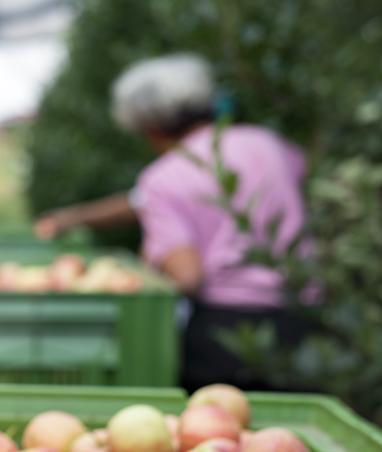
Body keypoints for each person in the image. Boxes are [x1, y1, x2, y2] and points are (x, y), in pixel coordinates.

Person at [35, 53, 311, 391]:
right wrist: (73, 218)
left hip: (225, 336)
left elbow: (187, 275)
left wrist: (149, 262)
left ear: (150, 128)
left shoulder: (164, 178)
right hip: (304, 321)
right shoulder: (269, 144)